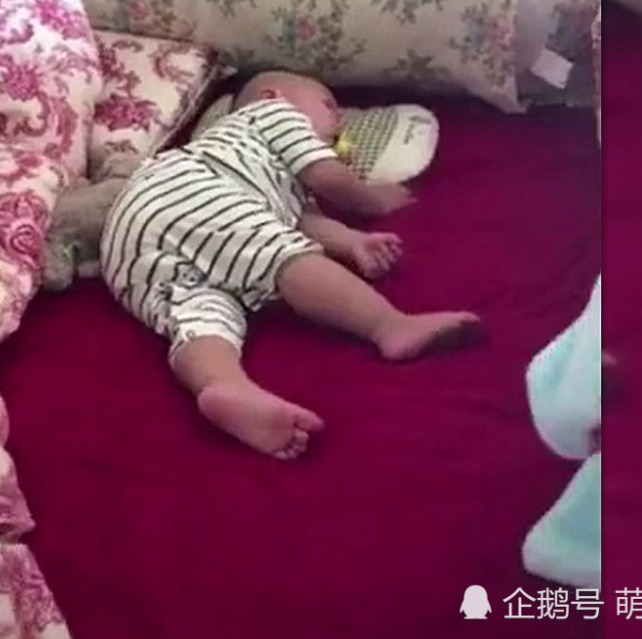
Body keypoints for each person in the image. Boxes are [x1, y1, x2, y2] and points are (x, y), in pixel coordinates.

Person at [101, 71, 480, 460]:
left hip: (128, 247)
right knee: (284, 255)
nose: (338, 124)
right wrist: (372, 199)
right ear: (271, 96)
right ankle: (389, 325)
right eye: (329, 106)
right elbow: (328, 178)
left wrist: (353, 242)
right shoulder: (272, 115)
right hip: (185, 192)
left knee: (201, 313)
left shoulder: (272, 186)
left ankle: (225, 386)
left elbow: (300, 221)